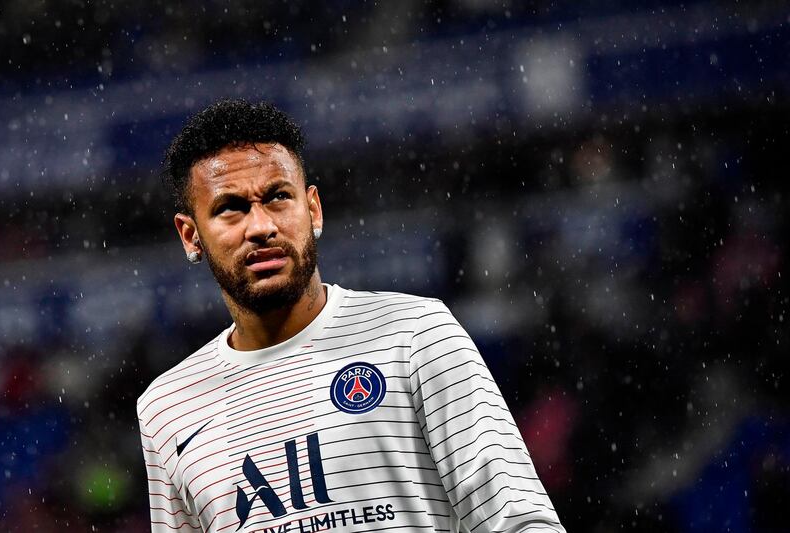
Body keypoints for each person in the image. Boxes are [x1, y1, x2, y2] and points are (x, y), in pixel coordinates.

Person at [137, 99, 566, 533]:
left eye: (278, 197)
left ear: (313, 209)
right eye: (231, 207)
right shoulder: (167, 409)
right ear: (191, 236)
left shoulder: (415, 334)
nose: (261, 226)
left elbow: (521, 521)